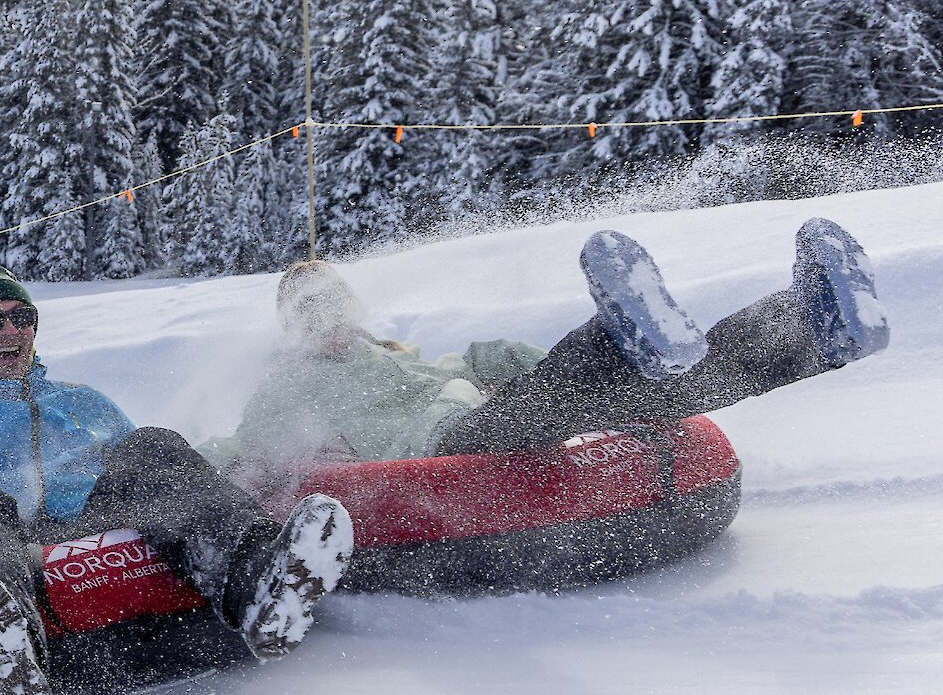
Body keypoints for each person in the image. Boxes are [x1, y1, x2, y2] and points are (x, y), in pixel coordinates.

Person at [0, 258, 355, 695]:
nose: (11, 331)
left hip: (94, 526)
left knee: (152, 442)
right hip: (8, 544)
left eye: (22, 318)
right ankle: (10, 650)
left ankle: (258, 583)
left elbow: (157, 476)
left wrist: (241, 472)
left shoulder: (84, 403)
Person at [203, 218, 889, 488]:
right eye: (312, 311)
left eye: (337, 302)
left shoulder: (400, 356)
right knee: (591, 383)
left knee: (658, 388)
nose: (331, 318)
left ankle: (808, 329)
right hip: (449, 449)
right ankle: (617, 336)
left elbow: (480, 355)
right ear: (293, 328)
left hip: (492, 420)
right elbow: (244, 446)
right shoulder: (288, 387)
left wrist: (513, 365)